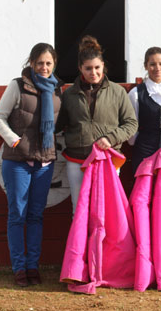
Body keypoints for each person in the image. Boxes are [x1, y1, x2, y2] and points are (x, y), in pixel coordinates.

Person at [0, 43, 62, 286]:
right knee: (18, 215)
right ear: (31, 63)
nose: (44, 67)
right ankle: (19, 268)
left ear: (54, 65)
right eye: (40, 62)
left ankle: (33, 266)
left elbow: (57, 125)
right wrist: (14, 142)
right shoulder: (17, 85)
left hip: (44, 162)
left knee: (35, 215)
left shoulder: (57, 90)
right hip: (18, 161)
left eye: (48, 63)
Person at [56, 36, 138, 212]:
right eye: (88, 68)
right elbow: (59, 125)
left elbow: (131, 123)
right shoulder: (69, 94)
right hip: (77, 159)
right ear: (80, 69)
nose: (93, 72)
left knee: (107, 210)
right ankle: (81, 241)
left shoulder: (118, 92)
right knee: (79, 209)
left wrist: (110, 138)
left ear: (103, 67)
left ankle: (104, 241)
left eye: (97, 68)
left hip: (108, 158)